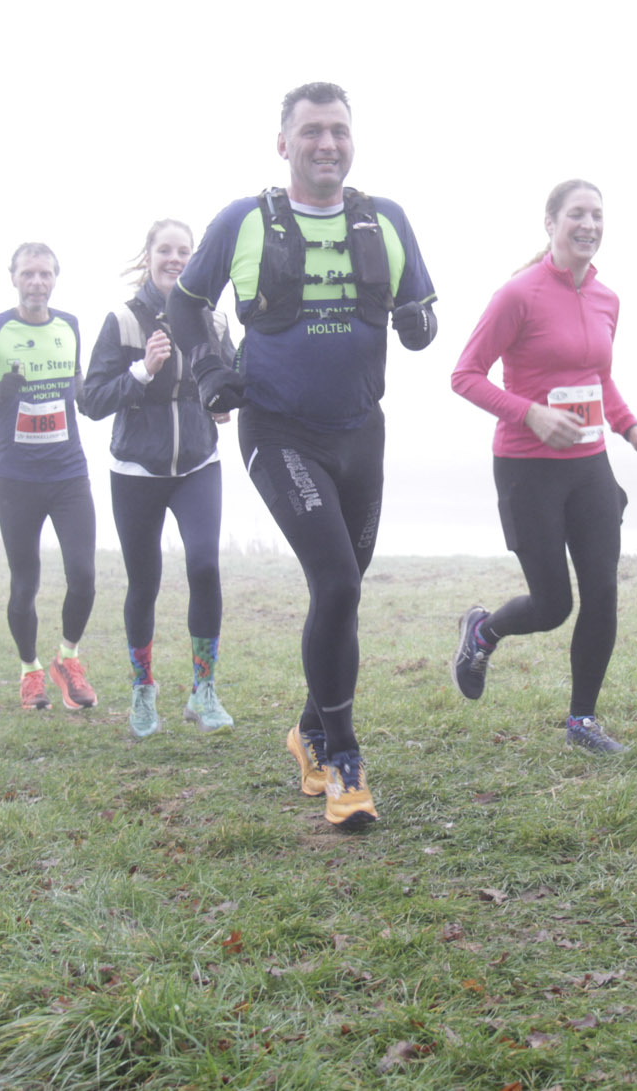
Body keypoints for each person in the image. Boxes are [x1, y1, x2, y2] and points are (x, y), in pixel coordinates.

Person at [168, 82, 438, 829]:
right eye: (312, 130)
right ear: (283, 143)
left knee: (344, 591)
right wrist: (210, 369)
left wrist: (419, 324)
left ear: (353, 141)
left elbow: (419, 311)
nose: (328, 143)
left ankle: (308, 729)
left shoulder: (387, 219)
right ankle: (343, 761)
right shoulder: (243, 220)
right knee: (337, 582)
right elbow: (185, 303)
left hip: (361, 430)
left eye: (339, 130)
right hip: (280, 430)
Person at [449, 180, 637, 753]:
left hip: (589, 465)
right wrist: (530, 414)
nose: (588, 225)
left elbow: (598, 379)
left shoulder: (607, 298)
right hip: (528, 468)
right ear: (550, 222)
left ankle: (582, 723)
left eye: (597, 215)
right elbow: (465, 375)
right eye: (577, 214)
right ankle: (483, 631)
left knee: (602, 592)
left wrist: (634, 432)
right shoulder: (517, 295)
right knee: (553, 605)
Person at [80, 219, 235, 742]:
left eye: (184, 252)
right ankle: (143, 690)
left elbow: (232, 378)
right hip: (136, 470)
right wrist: (142, 371)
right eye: (165, 250)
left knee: (205, 567)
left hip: (198, 464)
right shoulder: (124, 321)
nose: (175, 259)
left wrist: (226, 400)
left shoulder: (213, 320)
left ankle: (203, 690)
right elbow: (91, 400)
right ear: (147, 257)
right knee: (143, 582)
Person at [0, 242, 98, 712]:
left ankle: (67, 660)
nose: (37, 282)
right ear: (13, 277)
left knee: (83, 576)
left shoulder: (69, 326)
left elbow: (79, 388)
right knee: (25, 583)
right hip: (16, 478)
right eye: (28, 274)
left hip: (68, 473)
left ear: (56, 278)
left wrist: (108, 393)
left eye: (45, 274)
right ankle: (30, 671)